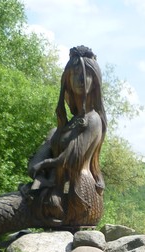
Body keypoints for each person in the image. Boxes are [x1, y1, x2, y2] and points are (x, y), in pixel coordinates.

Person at [26, 45, 107, 228]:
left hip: (78, 197)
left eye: (86, 74)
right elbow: (35, 163)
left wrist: (44, 164)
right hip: (54, 192)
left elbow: (72, 159)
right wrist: (38, 163)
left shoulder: (93, 120)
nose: (80, 79)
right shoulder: (60, 129)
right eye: (75, 73)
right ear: (67, 79)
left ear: (95, 81)